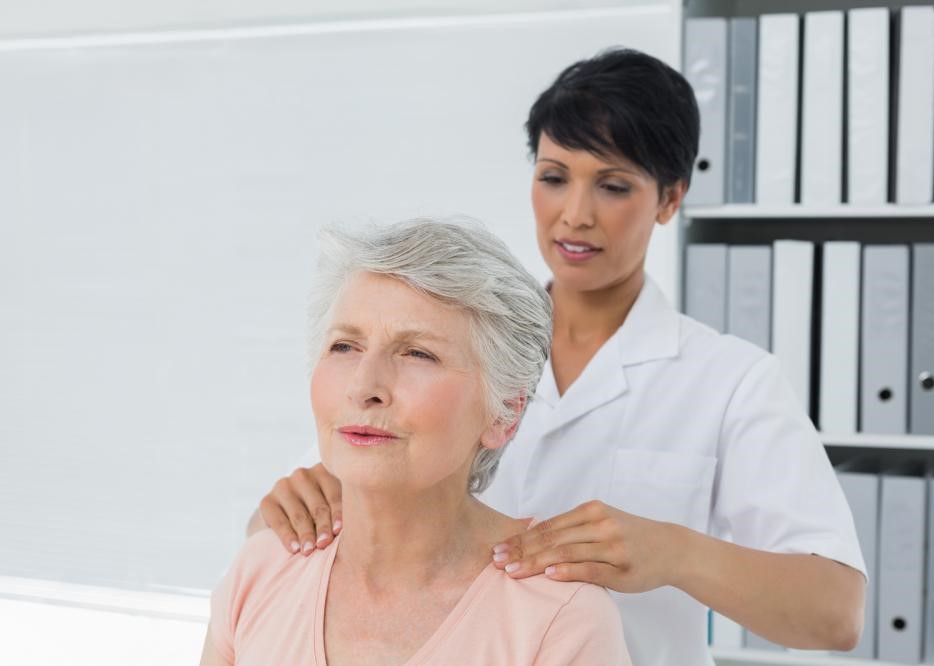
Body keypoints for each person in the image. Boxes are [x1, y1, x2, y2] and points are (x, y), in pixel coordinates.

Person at [251, 49, 867, 665]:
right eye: (554, 177)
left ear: (670, 198)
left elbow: (837, 613)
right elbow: (295, 536)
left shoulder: (731, 381)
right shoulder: (450, 341)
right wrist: (288, 508)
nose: (575, 214)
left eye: (613, 185)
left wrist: (674, 553)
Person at [201, 219, 631, 665]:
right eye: (344, 347)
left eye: (417, 354)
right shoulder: (259, 571)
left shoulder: (560, 620)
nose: (364, 386)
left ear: (505, 412)